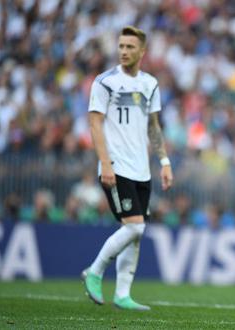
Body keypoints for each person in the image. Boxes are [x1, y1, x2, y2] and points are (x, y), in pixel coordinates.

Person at [81, 26, 173, 311]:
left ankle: (122, 294)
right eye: (121, 46)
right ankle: (94, 271)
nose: (124, 51)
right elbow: (95, 123)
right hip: (116, 166)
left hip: (141, 168)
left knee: (135, 231)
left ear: (142, 52)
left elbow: (153, 126)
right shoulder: (105, 82)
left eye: (130, 47)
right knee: (135, 227)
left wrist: (164, 161)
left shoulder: (150, 84)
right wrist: (105, 163)